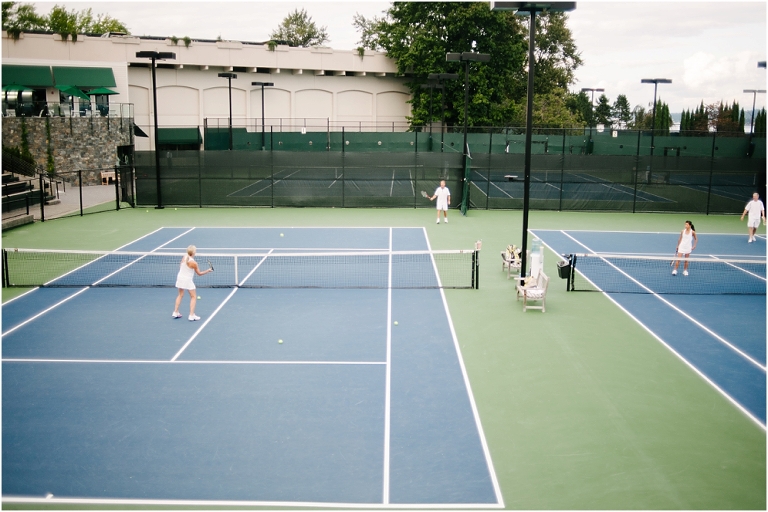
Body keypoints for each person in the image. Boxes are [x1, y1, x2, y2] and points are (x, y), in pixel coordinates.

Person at [172, 245, 212, 321]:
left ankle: (175, 312)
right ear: (193, 252)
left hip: (180, 278)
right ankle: (191, 315)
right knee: (193, 297)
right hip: (187, 280)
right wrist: (208, 270)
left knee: (180, 295)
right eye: (195, 251)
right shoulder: (194, 263)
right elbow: (199, 274)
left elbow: (180, 266)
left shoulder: (184, 257)